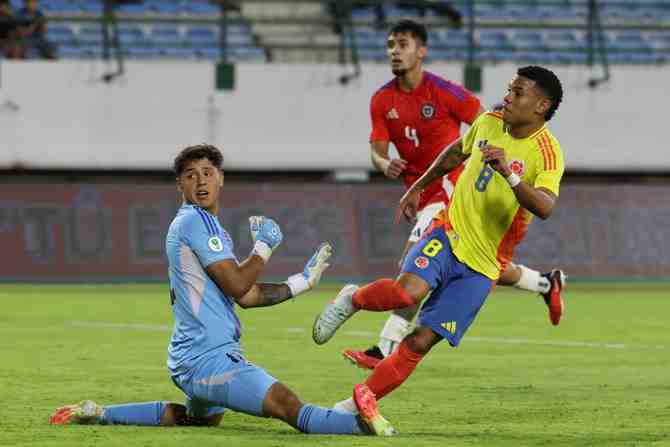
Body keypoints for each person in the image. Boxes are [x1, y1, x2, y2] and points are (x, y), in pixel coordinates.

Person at [50, 144, 396, 436]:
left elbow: (245, 296)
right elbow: (238, 283)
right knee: (288, 406)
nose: (200, 180)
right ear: (179, 186)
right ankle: (360, 425)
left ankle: (99, 412)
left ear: (221, 179)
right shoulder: (194, 221)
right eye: (190, 175)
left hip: (192, 358)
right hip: (208, 359)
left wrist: (302, 282)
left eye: (207, 172)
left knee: (199, 419)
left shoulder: (208, 227)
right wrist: (263, 247)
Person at [313, 65, 565, 412]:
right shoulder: (489, 121)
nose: (507, 97)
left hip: (483, 268)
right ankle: (351, 299)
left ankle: (357, 406)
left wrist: (508, 174)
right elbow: (455, 152)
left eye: (517, 92)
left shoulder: (548, 152)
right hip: (449, 231)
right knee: (406, 292)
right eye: (509, 89)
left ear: (541, 105)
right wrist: (417, 187)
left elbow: (545, 206)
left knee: (420, 341)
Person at [342, 19, 565, 371]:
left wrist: (498, 160)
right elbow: (377, 149)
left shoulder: (445, 91)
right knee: (479, 265)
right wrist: (384, 164)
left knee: (412, 268)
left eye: (403, 44)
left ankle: (385, 348)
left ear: (421, 51)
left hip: (452, 191)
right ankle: (544, 282)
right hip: (422, 188)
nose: (395, 51)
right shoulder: (383, 99)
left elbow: (484, 125)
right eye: (390, 45)